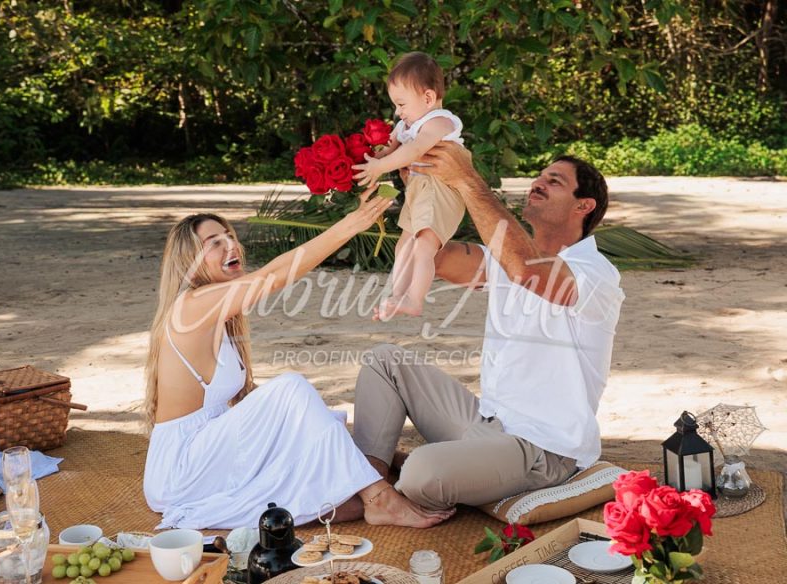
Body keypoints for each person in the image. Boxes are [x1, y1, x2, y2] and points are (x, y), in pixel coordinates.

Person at [142, 188, 454, 529]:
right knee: (290, 388)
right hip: (181, 470)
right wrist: (351, 224)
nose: (230, 245)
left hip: (213, 451)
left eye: (230, 236)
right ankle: (380, 498)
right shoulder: (192, 305)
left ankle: (369, 487)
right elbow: (273, 276)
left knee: (338, 493)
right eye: (214, 242)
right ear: (189, 261)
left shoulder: (220, 316)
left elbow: (255, 407)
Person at [352, 146, 625, 510]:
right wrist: (419, 189)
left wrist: (467, 178)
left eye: (554, 181)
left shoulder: (596, 274)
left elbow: (527, 270)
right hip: (485, 423)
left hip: (544, 448)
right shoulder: (504, 260)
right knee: (384, 361)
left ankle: (416, 469)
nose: (538, 183)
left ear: (583, 206)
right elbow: (430, 257)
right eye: (539, 176)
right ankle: (371, 488)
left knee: (420, 472)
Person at [352, 52, 471, 320]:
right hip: (418, 191)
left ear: (428, 98)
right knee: (403, 246)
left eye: (402, 104)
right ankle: (397, 295)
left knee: (424, 245)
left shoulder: (440, 122)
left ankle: (415, 299)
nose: (398, 111)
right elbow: (387, 150)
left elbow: (415, 149)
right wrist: (370, 162)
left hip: (440, 191)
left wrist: (382, 167)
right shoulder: (406, 123)